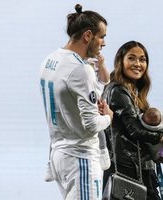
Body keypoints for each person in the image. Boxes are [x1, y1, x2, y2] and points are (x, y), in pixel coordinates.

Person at [39, 4, 113, 200]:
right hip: (81, 159)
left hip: (59, 155)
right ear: (88, 36)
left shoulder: (50, 59)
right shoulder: (81, 69)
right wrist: (108, 117)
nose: (103, 43)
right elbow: (91, 125)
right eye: (102, 36)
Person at [101, 40, 163, 199]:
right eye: (132, 58)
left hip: (133, 167)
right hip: (128, 169)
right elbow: (135, 130)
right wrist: (160, 135)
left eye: (142, 59)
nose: (138, 64)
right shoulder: (118, 90)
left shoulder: (131, 90)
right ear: (120, 61)